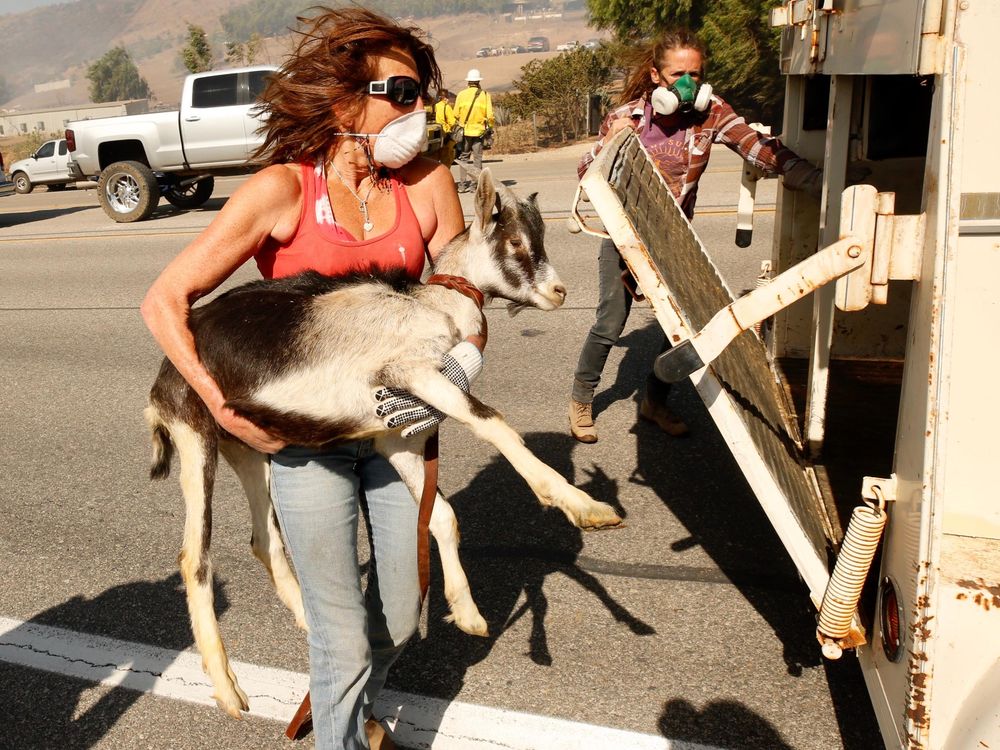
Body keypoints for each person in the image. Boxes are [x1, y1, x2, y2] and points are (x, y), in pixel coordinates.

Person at [140, 8, 472, 749]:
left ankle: (351, 709)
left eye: (422, 94)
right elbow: (165, 301)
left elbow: (468, 303)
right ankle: (344, 730)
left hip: (397, 429)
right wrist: (224, 409)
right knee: (340, 635)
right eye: (403, 92)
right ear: (344, 99)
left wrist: (455, 367)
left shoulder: (427, 185)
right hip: (307, 447)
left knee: (404, 608)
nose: (419, 110)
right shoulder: (282, 192)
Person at [568, 29, 823, 444]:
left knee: (684, 330)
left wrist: (812, 178)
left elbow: (756, 146)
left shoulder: (711, 113)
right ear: (655, 76)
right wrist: (610, 145)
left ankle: (654, 400)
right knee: (610, 324)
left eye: (695, 73)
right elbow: (586, 173)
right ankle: (581, 399)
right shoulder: (627, 117)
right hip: (625, 235)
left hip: (674, 238)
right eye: (676, 74)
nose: (686, 84)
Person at [453, 68, 495, 193]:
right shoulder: (486, 95)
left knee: (464, 158)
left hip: (465, 132)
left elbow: (455, 114)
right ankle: (474, 185)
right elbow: (490, 116)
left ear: (468, 82)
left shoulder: (461, 95)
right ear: (478, 81)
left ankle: (461, 185)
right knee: (477, 158)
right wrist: (490, 127)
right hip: (479, 132)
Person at [433, 88, 457, 167]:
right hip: (445, 134)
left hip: (433, 135)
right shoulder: (446, 107)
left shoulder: (434, 106)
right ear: (445, 97)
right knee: (446, 158)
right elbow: (452, 122)